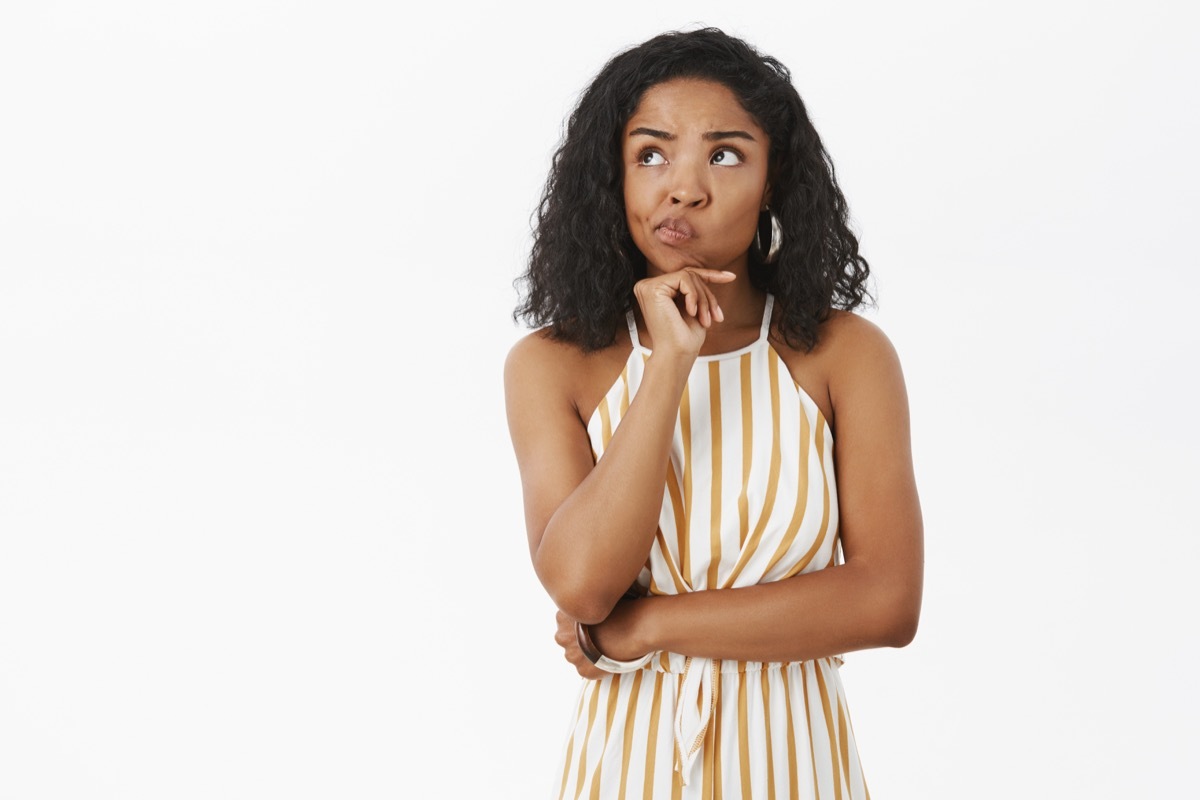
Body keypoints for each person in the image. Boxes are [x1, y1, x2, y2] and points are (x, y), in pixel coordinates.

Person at [504, 27, 923, 799]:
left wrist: (645, 627)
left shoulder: (843, 354)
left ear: (774, 179)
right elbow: (583, 586)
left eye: (725, 154)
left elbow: (886, 600)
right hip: (626, 771)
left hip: (798, 769)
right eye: (651, 154)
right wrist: (668, 362)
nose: (684, 187)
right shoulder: (552, 364)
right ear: (614, 176)